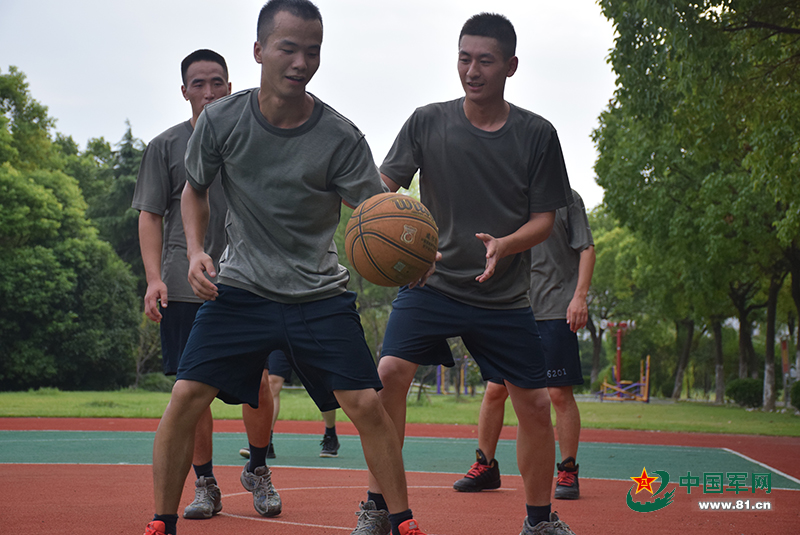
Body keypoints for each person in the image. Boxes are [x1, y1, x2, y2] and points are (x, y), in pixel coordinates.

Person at [142, 2, 427, 535]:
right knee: (185, 397)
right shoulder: (222, 120)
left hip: (318, 294)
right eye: (288, 48)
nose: (301, 62)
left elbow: (377, 215)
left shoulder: (341, 137)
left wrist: (412, 252)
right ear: (259, 51)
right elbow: (194, 189)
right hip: (241, 288)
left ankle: (403, 521)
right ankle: (161, 522)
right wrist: (197, 250)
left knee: (367, 405)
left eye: (312, 51)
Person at [353, 13, 578, 535]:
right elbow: (384, 188)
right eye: (464, 58)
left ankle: (540, 521)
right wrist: (392, 237)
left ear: (511, 66)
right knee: (388, 377)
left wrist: (505, 244)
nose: (472, 71)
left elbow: (544, 220)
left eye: (485, 61)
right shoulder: (427, 121)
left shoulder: (538, 134)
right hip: (430, 284)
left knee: (535, 404)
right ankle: (378, 508)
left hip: (503, 295)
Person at [134, 49, 277, 521]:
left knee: (258, 381)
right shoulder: (165, 146)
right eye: (199, 83)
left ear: (230, 87)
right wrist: (154, 278)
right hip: (183, 284)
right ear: (184, 91)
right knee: (191, 390)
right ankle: (205, 484)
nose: (209, 92)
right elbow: (150, 216)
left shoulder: (250, 140)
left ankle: (258, 469)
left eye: (218, 82)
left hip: (246, 281)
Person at [452, 189, 595, 502]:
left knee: (558, 393)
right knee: (495, 390)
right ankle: (485, 466)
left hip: (555, 308)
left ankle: (568, 469)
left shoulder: (566, 198)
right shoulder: (504, 194)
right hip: (511, 307)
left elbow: (586, 249)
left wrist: (580, 297)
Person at [239, 349, 341, 459]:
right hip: (281, 342)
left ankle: (330, 435)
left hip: (307, 341)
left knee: (321, 384)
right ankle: (266, 443)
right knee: (272, 382)